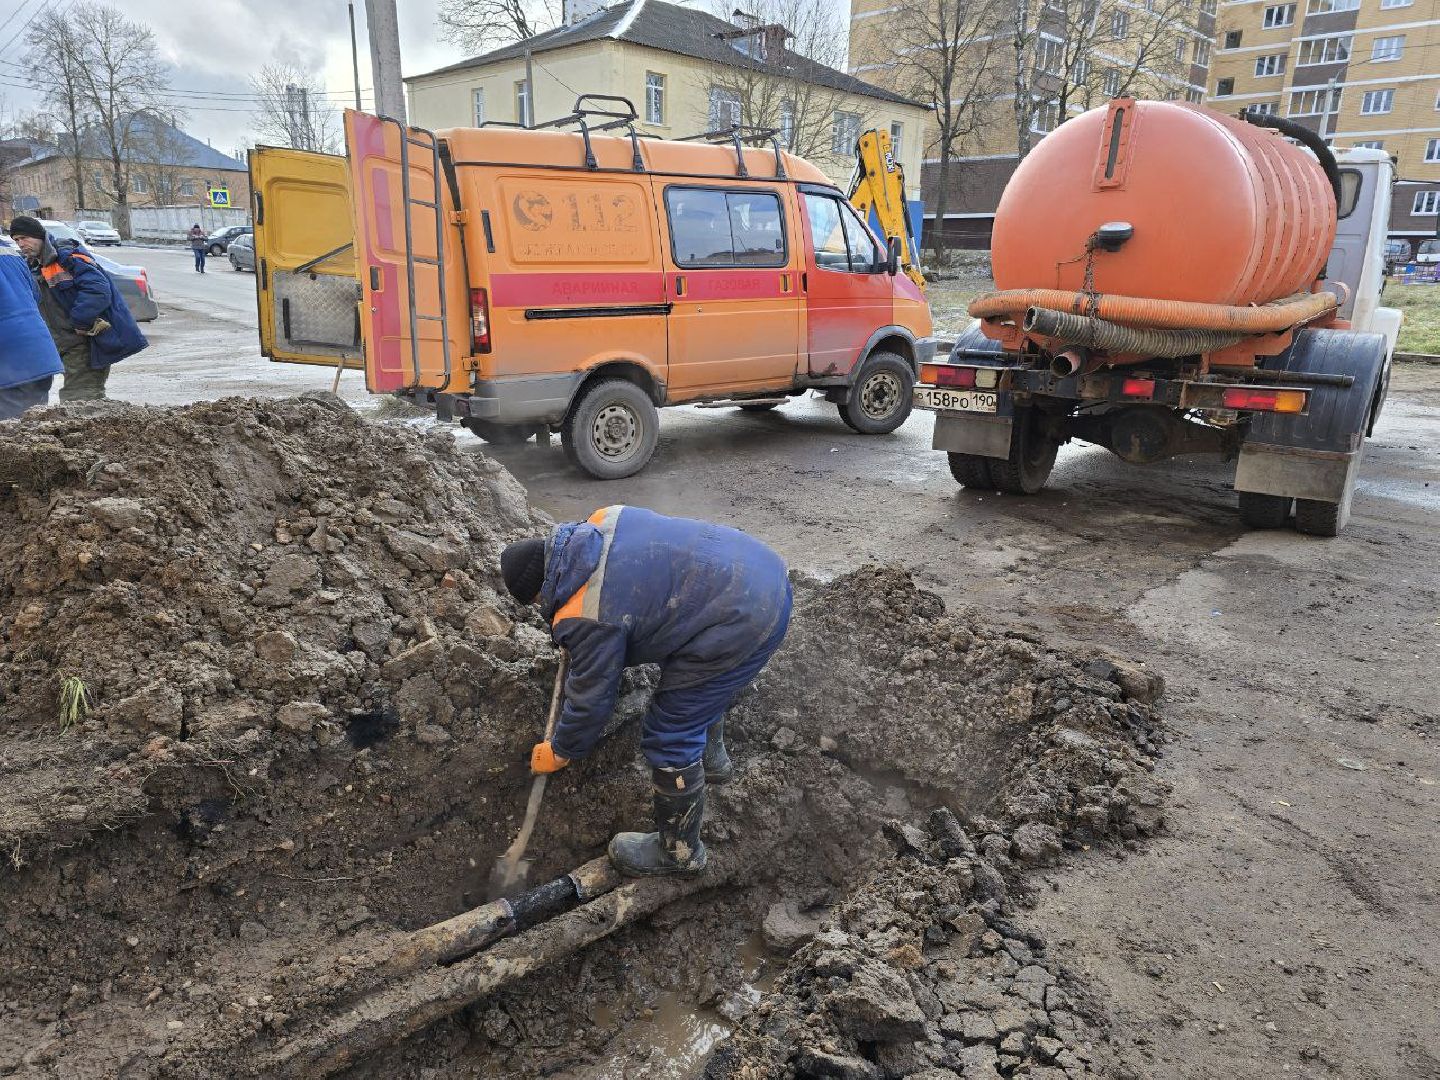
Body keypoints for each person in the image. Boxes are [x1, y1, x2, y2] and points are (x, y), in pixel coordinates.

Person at [500, 506, 792, 878]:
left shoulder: (584, 612)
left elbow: (591, 701)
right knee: (698, 678)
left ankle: (679, 852)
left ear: (540, 592)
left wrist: (561, 750)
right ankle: (713, 761)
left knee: (672, 730)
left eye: (537, 603)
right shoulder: (600, 521)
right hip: (759, 575)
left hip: (741, 619)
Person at [8, 215, 147, 401]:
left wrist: (80, 322)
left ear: (38, 235)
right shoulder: (33, 265)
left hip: (83, 343)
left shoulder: (68, 257)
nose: (21, 244)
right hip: (60, 343)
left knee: (80, 398)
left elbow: (98, 290)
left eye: (24, 238)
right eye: (17, 240)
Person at [0, 250, 63, 420]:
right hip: (38, 358)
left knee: (11, 431)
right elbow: (35, 295)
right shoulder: (11, 254)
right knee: (34, 426)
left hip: (9, 369)